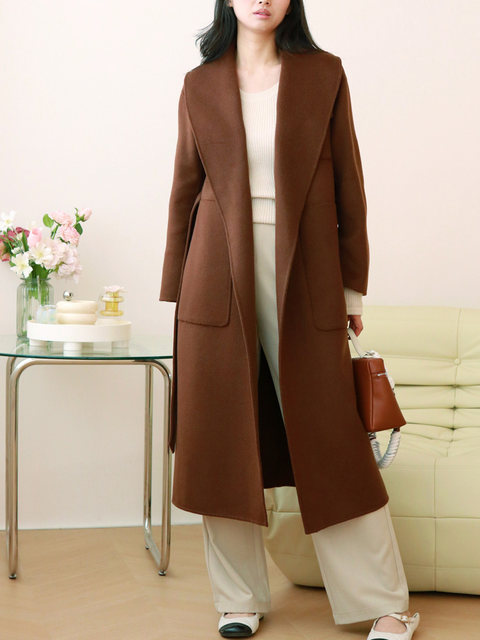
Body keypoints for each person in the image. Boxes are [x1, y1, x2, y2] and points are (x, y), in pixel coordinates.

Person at [159, 1, 421, 638]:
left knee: (333, 438)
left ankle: (382, 602)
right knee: (220, 438)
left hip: (306, 270)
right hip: (215, 275)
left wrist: (352, 291)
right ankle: (237, 600)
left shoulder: (324, 74)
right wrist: (176, 289)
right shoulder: (199, 83)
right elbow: (185, 187)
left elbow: (350, 186)